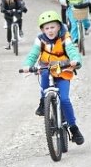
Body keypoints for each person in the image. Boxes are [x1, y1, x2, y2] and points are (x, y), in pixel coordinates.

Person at [21, 10, 84, 145]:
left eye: (53, 27)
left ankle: (73, 128)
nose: (50, 31)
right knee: (43, 76)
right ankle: (44, 101)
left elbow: (72, 51)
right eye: (47, 28)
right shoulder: (40, 39)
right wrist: (27, 65)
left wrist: (75, 60)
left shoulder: (65, 38)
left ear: (59, 27)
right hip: (46, 68)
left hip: (62, 69)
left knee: (65, 99)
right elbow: (33, 54)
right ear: (42, 29)